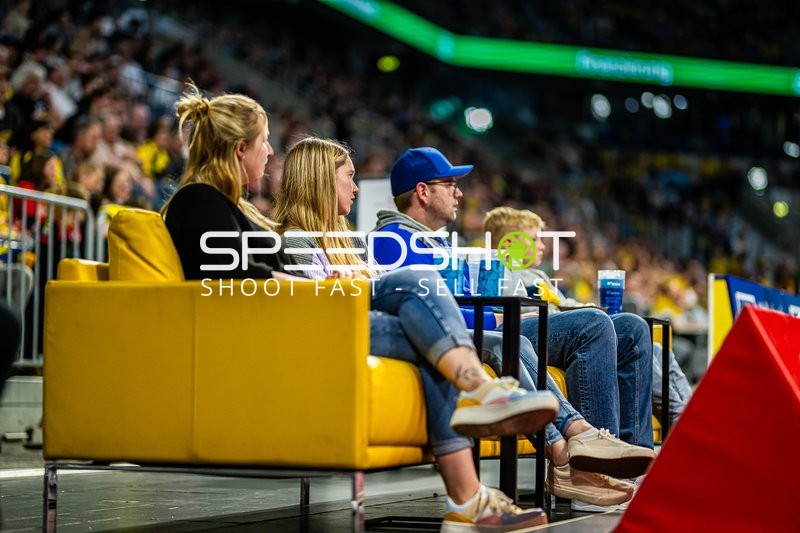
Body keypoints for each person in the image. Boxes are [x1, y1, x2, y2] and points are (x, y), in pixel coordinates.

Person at [161, 85, 558, 531]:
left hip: (298, 320)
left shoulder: (236, 209)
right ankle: (482, 403)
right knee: (412, 285)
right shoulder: (199, 202)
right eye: (264, 141)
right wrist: (321, 285)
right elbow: (235, 283)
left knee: (429, 329)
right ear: (239, 149)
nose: (271, 152)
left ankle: (469, 493)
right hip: (282, 329)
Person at [274, 137, 659, 508]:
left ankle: (580, 448)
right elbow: (344, 297)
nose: (356, 187)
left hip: (411, 323)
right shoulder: (374, 240)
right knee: (528, 335)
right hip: (363, 329)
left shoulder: (353, 241)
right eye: (348, 176)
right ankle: (571, 449)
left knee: (621, 329)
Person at [371, 147, 656, 454]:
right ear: (423, 192)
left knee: (631, 327)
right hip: (482, 332)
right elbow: (431, 314)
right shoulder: (392, 241)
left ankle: (631, 459)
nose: (460, 194)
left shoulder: (438, 242)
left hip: (495, 323)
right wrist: (501, 318)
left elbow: (468, 300)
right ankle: (598, 456)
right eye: (450, 185)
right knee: (593, 323)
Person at [483, 206, 693, 426]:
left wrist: (589, 307)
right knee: (600, 325)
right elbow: (505, 311)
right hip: (543, 333)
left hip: (559, 328)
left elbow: (565, 304)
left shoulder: (539, 275)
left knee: (650, 344)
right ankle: (678, 418)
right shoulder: (499, 268)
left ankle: (685, 412)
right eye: (535, 239)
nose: (542, 246)